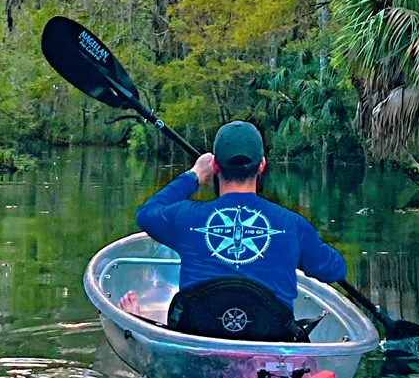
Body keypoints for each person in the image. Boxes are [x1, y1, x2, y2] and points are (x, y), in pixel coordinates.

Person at [135, 120, 348, 339]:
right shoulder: (293, 225)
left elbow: (146, 213)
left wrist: (195, 175)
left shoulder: (185, 216)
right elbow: (335, 270)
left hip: (199, 341)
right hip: (270, 346)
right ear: (262, 165)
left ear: (215, 167)